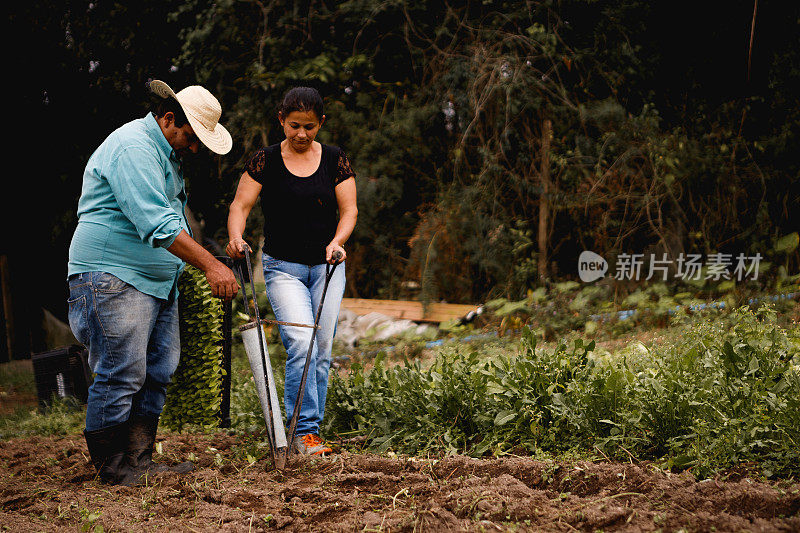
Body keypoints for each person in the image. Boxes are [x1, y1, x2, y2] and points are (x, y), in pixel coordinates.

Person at [67, 80, 239, 485]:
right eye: (193, 138)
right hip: (113, 275)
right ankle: (112, 467)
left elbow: (174, 219)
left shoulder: (167, 155)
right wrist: (211, 266)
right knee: (121, 370)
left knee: (160, 368)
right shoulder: (134, 148)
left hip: (155, 282)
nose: (195, 148)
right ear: (168, 120)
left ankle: (139, 460)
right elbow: (156, 225)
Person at [226, 86, 357, 456]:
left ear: (321, 124)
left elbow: (349, 211)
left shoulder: (334, 159)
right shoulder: (265, 160)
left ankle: (308, 431)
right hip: (283, 267)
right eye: (295, 125)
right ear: (281, 119)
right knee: (302, 342)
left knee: (322, 348)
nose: (302, 134)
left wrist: (337, 241)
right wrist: (236, 237)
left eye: (311, 127)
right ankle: (303, 433)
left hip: (328, 266)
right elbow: (240, 205)